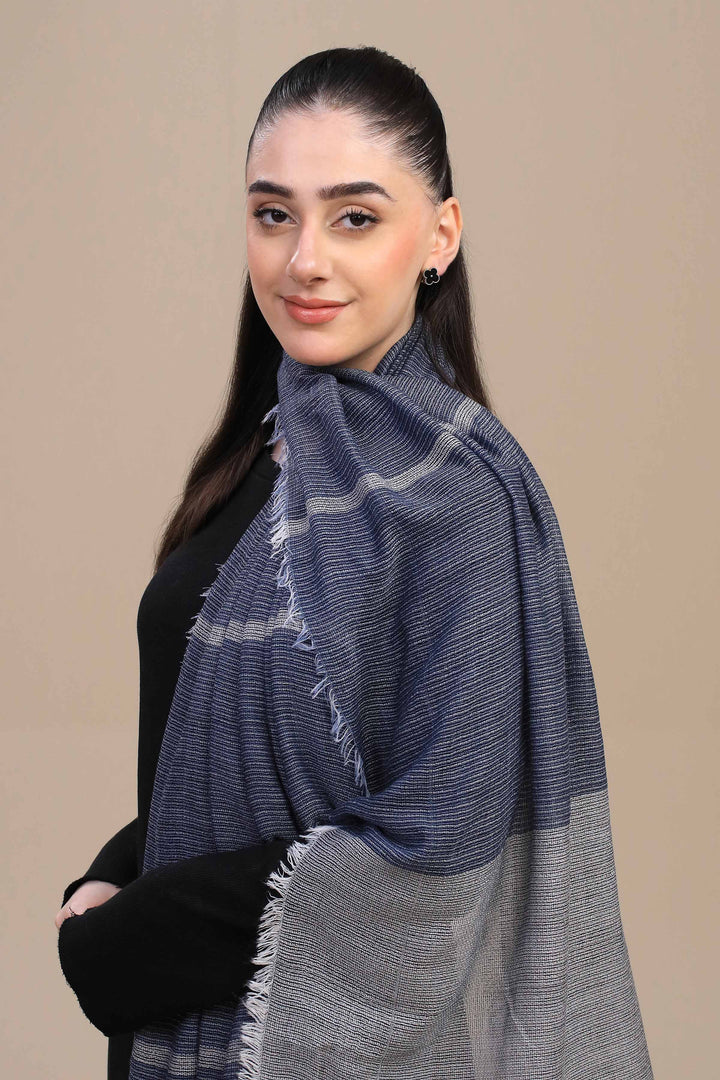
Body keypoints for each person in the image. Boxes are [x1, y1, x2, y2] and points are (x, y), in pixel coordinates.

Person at [55, 45, 655, 1080]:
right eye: (273, 213)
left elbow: (432, 862)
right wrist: (120, 867)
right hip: (178, 1020)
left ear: (440, 236)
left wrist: (127, 940)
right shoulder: (266, 450)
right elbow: (224, 759)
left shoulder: (461, 500)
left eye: (356, 218)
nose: (304, 260)